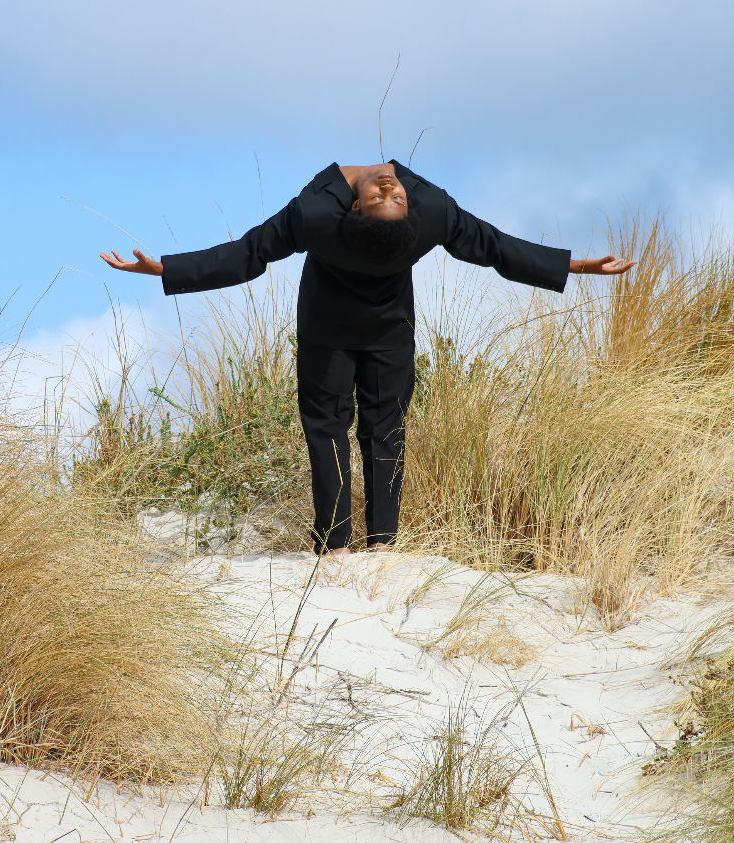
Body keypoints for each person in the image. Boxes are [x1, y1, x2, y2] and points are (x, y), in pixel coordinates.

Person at [101, 160, 635, 556]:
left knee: (384, 430)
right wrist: (577, 265)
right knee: (332, 429)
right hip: (340, 331)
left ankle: (381, 550)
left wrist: (164, 269)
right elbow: (247, 255)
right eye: (390, 196)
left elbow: (493, 247)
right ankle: (335, 548)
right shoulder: (421, 210)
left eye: (391, 196)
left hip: (375, 332)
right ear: (360, 209)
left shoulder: (331, 214)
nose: (389, 187)